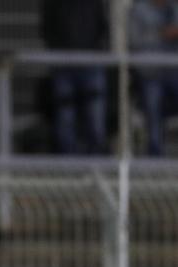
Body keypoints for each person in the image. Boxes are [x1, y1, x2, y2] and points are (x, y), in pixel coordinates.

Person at [41, 0, 109, 154]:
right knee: (66, 117)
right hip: (63, 66)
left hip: (92, 64)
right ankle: (67, 164)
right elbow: (46, 29)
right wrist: (60, 53)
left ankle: (96, 162)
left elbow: (103, 27)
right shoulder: (53, 3)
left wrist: (95, 52)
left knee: (95, 117)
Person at [130, 0, 178, 155]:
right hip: (150, 74)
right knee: (153, 104)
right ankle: (155, 154)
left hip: (173, 72)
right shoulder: (139, 10)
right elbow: (135, 41)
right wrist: (161, 34)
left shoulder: (174, 7)